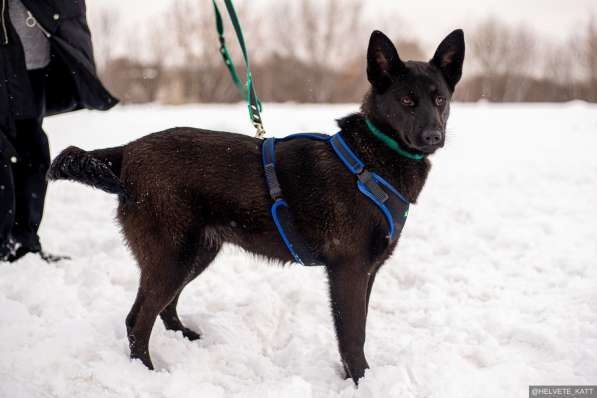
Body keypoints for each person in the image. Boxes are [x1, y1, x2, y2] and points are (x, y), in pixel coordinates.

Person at [0, 0, 117, 262]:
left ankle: (23, 243)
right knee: (5, 150)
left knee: (32, 147)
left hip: (34, 51)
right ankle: (4, 243)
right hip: (8, 51)